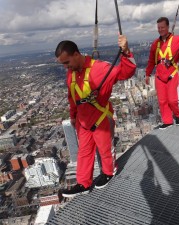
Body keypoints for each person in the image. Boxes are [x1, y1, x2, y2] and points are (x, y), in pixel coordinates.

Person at [55, 36, 136, 198]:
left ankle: (108, 173)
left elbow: (126, 72)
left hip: (100, 118)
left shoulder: (100, 69)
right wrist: (73, 117)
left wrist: (126, 51)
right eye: (63, 64)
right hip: (82, 120)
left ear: (76, 54)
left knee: (105, 149)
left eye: (67, 62)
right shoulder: (71, 74)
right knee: (84, 152)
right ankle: (83, 183)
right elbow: (72, 97)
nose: (65, 67)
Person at [145, 16, 179, 129]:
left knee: (173, 100)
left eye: (162, 27)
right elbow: (151, 61)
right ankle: (167, 121)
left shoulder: (177, 40)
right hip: (159, 76)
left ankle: (178, 115)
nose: (160, 30)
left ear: (168, 27)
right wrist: (148, 74)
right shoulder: (155, 44)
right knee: (162, 101)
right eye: (159, 28)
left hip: (171, 75)